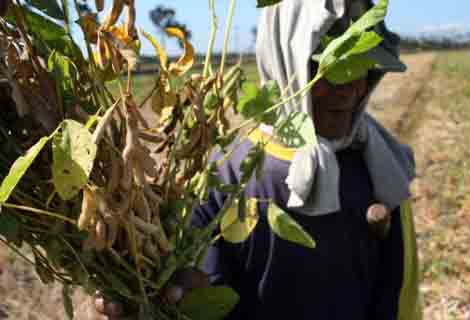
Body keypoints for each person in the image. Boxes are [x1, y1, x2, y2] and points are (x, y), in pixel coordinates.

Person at [92, 0, 422, 319]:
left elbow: (399, 295)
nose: (350, 89)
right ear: (284, 64)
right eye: (331, 71)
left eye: (361, 66)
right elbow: (198, 299)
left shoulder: (381, 167)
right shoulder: (225, 179)